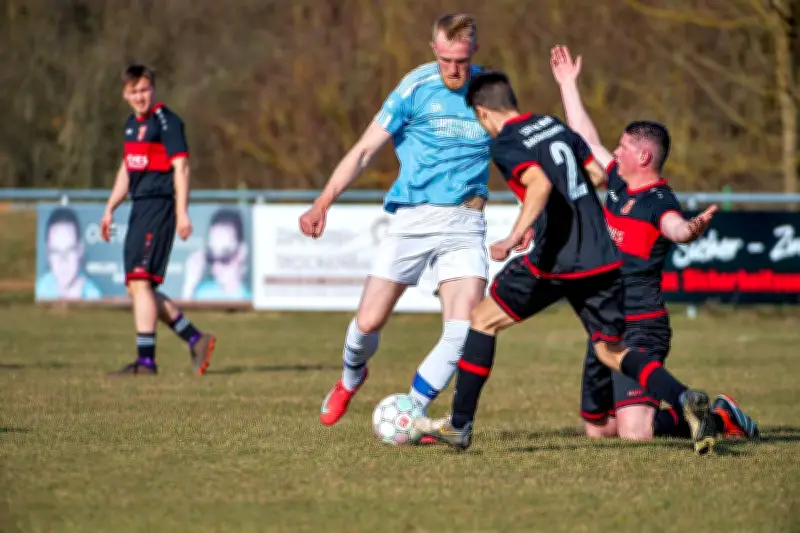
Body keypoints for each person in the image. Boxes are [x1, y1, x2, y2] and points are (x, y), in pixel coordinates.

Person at [414, 70, 719, 455]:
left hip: (556, 259)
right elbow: (593, 173)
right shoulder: (549, 124)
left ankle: (459, 426)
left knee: (482, 320)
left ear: (483, 113)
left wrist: (514, 236)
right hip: (601, 256)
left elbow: (539, 184)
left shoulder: (507, 142)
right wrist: (541, 219)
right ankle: (684, 397)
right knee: (610, 350)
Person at [300, 14, 514, 433]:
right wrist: (323, 201)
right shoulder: (414, 88)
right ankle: (350, 378)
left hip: (465, 222)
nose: (454, 69)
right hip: (413, 219)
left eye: (462, 60)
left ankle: (410, 412)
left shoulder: (491, 91)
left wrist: (528, 217)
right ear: (433, 50)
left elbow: (516, 153)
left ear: (474, 52)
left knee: (463, 329)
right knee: (368, 323)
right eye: (447, 59)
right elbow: (364, 150)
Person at [549, 45, 759, 441]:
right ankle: (706, 415)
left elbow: (675, 227)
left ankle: (720, 417)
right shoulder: (616, 180)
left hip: (643, 326)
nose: (615, 150)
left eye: (624, 146)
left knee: (636, 433)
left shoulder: (659, 201)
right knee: (600, 431)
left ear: (644, 155)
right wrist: (567, 85)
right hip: (607, 325)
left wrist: (689, 231)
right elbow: (584, 137)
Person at [101, 64, 216, 376]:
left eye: (145, 89)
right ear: (125, 94)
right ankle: (194, 337)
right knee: (138, 287)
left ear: (154, 89)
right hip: (140, 208)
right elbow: (127, 169)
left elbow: (182, 168)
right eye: (134, 91)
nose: (140, 96)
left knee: (140, 282)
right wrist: (110, 206)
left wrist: (181, 212)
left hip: (160, 207)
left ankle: (146, 361)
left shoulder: (166, 121)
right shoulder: (130, 125)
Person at [182, 208, 251, 301]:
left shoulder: (252, 300)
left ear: (241, 253)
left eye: (225, 256)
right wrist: (189, 285)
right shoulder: (202, 293)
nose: (216, 267)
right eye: (211, 257)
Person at [36, 207, 103, 301]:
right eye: (56, 251)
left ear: (80, 250)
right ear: (47, 253)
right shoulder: (39, 290)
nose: (63, 261)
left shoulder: (94, 297)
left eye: (69, 250)